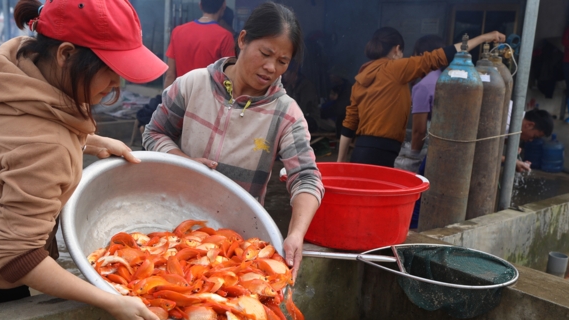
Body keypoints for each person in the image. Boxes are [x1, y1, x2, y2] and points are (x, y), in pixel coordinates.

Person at [0, 0, 169, 320]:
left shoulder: (11, 72)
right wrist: (110, 301)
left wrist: (90, 140)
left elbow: (9, 139)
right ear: (65, 53)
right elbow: (18, 258)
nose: (117, 85)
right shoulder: (44, 148)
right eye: (110, 69)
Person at [143, 2, 324, 279]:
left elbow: (307, 177)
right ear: (242, 40)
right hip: (172, 228)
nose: (270, 67)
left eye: (282, 62)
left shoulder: (286, 114)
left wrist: (296, 234)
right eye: (265, 53)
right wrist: (185, 163)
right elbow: (154, 132)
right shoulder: (192, 85)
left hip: (237, 247)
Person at [337, 27, 506, 167]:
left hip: (360, 150)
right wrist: (484, 37)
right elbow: (438, 57)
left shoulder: (361, 76)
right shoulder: (396, 68)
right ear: (397, 49)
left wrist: (340, 161)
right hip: (382, 153)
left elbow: (350, 122)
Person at [395, 34, 446, 173]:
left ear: (423, 56)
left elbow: (419, 131)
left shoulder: (423, 86)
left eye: (415, 55)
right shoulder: (444, 78)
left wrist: (412, 157)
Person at [163, 0, 236, 90]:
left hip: (182, 98)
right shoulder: (225, 37)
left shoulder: (177, 32)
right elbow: (229, 77)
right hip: (208, 100)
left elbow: (170, 75)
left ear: (200, 5)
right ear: (224, 6)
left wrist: (165, 101)